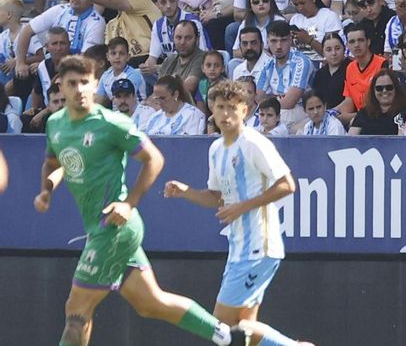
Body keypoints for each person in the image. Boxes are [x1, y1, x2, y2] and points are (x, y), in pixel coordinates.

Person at [32, 55, 249, 346]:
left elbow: (154, 159)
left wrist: (129, 203)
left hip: (114, 227)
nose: (80, 89)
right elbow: (55, 161)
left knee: (77, 309)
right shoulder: (56, 123)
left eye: (86, 83)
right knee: (150, 303)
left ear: (96, 83)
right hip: (101, 228)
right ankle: (227, 336)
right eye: (72, 83)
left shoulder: (111, 124)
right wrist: (47, 189)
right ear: (60, 85)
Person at [160, 80, 295, 335]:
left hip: (259, 245)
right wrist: (186, 192)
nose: (225, 113)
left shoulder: (254, 143)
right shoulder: (215, 149)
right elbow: (217, 197)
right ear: (212, 108)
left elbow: (287, 185)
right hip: (239, 246)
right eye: (220, 106)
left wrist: (243, 207)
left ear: (244, 110)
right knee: (243, 329)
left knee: (221, 326)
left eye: (232, 107)